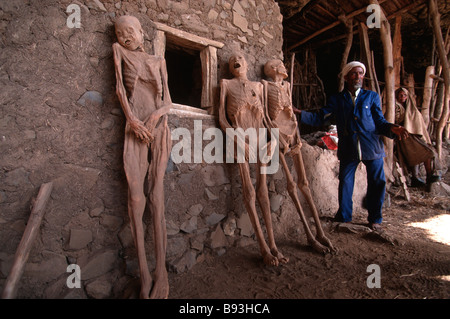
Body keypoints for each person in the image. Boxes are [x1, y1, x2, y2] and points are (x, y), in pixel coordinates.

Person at [297, 61, 409, 231]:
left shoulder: (371, 97)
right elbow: (321, 117)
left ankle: (375, 219)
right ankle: (344, 216)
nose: (358, 77)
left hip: (371, 146)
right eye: (354, 73)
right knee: (346, 182)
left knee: (377, 182)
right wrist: (300, 114)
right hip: (349, 147)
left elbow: (379, 121)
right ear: (346, 76)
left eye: (360, 74)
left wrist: (392, 128)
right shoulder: (337, 99)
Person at [113, 15, 172, 299]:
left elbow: (168, 102)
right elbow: (120, 90)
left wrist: (155, 118)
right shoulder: (118, 52)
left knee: (157, 195)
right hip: (133, 129)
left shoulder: (158, 60)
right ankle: (145, 275)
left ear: (141, 32)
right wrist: (134, 121)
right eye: (119, 32)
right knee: (136, 198)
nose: (125, 36)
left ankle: (162, 273)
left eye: (129, 31)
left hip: (159, 129)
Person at [218, 52, 287, 266]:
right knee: (248, 190)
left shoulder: (259, 87)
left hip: (259, 138)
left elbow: (267, 119)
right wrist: (239, 141)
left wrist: (273, 141)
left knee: (263, 191)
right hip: (241, 139)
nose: (235, 61)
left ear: (247, 64)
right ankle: (264, 248)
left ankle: (273, 245)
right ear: (231, 68)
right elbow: (221, 118)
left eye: (239, 59)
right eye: (232, 61)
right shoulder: (226, 84)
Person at [262, 59, 335, 253]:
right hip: (278, 134)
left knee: (304, 183)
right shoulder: (264, 86)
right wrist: (276, 136)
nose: (284, 67)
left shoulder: (287, 86)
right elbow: (265, 117)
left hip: (293, 132)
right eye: (280, 64)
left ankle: (320, 233)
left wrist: (298, 136)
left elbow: (292, 113)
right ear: (274, 69)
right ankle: (310, 237)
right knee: (292, 185)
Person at [394, 88, 440, 187]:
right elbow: (395, 120)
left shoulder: (410, 107)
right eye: (400, 95)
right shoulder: (396, 107)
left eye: (404, 95)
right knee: (423, 153)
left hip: (413, 135)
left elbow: (416, 121)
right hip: (404, 136)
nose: (402, 97)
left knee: (426, 152)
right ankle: (422, 177)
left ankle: (426, 176)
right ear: (397, 96)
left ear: (407, 96)